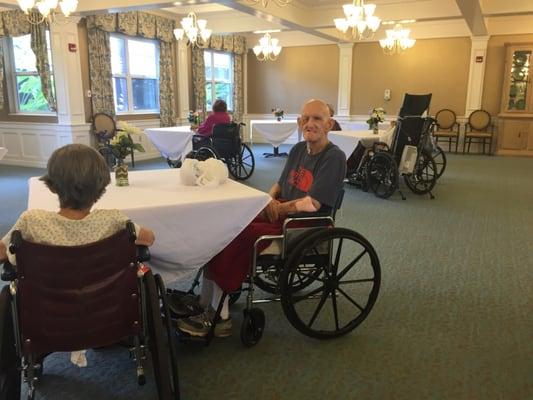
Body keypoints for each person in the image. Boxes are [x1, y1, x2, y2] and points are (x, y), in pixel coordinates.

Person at [177, 99, 347, 338]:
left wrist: (279, 209)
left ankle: (219, 317)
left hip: (303, 224)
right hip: (282, 213)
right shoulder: (298, 149)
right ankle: (205, 301)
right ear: (299, 122)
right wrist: (266, 201)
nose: (310, 124)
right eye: (305, 118)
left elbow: (313, 203)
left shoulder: (334, 157)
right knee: (225, 226)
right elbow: (279, 184)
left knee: (238, 237)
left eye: (317, 119)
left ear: (329, 124)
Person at [0, 144, 155, 265]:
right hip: (104, 298)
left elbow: (2, 252)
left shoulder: (31, 221)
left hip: (47, 300)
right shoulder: (114, 220)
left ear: (52, 185)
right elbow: (148, 239)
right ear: (102, 185)